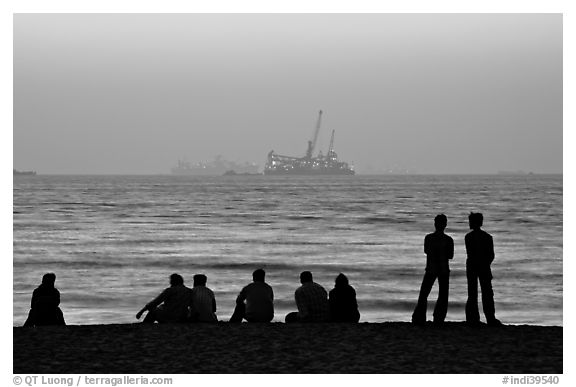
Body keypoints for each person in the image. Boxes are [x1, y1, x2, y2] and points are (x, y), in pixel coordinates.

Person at [412, 214, 454, 325]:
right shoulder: (448, 240)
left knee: (424, 293)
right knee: (443, 295)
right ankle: (438, 318)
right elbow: (450, 255)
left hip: (431, 268)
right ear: (445, 225)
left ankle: (419, 317)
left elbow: (426, 251)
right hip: (443, 269)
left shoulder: (429, 238)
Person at [465, 212, 502, 326]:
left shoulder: (469, 237)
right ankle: (489, 318)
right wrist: (485, 263)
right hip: (482, 266)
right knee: (486, 293)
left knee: (474, 293)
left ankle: (474, 318)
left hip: (474, 266)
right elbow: (491, 255)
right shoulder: (486, 237)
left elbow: (472, 254)